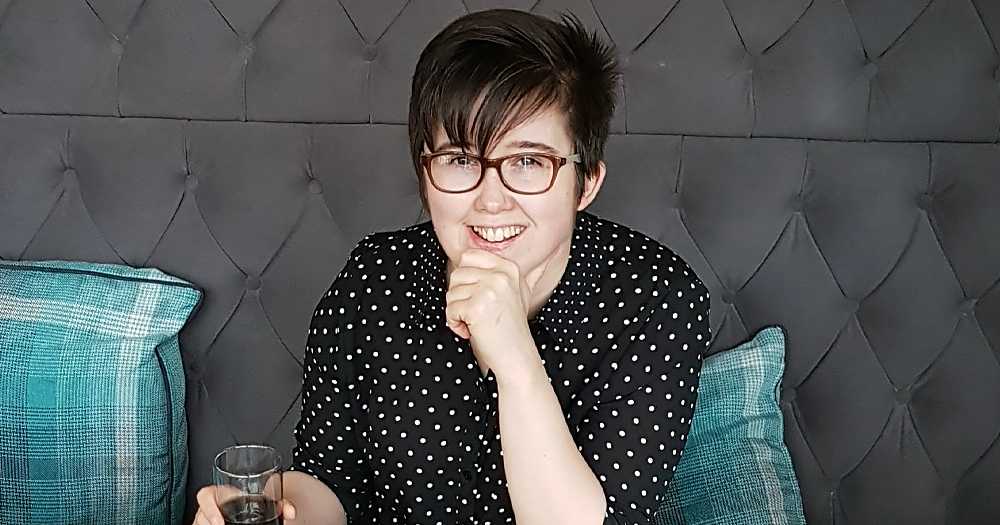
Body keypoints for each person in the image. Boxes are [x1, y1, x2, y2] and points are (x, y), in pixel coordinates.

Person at [195, 8, 709, 525]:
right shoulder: (373, 279)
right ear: (425, 172)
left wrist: (515, 359)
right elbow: (332, 483)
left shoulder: (658, 297)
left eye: (528, 162)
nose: (490, 200)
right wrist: (275, 508)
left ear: (586, 182)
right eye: (461, 160)